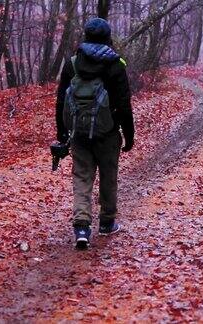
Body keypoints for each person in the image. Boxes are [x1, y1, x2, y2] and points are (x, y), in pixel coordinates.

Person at [55, 18, 134, 250]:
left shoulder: (72, 63)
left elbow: (61, 100)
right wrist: (129, 135)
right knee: (108, 175)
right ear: (108, 38)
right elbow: (124, 104)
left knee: (82, 177)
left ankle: (81, 226)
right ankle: (107, 223)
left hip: (79, 132)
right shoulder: (116, 64)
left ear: (86, 36)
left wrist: (62, 132)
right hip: (108, 132)